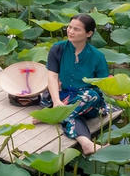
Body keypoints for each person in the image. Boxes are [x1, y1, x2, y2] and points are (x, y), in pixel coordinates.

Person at [40, 13, 109, 155]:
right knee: (72, 116)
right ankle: (87, 144)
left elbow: (105, 84)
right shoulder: (57, 49)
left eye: (76, 29)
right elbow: (52, 77)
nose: (70, 31)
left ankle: (52, 114)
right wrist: (56, 101)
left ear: (89, 33)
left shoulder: (98, 56)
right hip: (61, 96)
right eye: (69, 27)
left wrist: (118, 94)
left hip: (87, 99)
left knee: (91, 95)